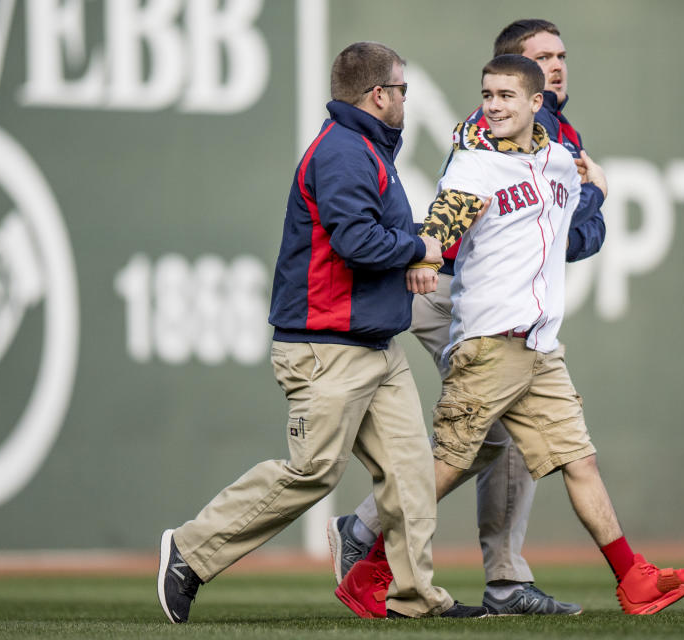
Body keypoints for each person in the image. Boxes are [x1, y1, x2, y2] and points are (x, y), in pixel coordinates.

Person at [335, 54, 684, 617]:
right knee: (446, 467)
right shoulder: (473, 164)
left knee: (580, 461)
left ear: (537, 104)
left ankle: (632, 577)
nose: (494, 105)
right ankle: (372, 569)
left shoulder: (560, 161)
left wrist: (599, 192)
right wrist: (424, 254)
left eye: (506, 96)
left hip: (539, 348)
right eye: (488, 95)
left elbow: (573, 228)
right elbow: (443, 223)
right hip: (488, 343)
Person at [156, 41, 488, 623]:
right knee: (311, 472)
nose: (407, 99)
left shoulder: (366, 149)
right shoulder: (343, 152)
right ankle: (190, 549)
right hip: (326, 346)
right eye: (403, 90)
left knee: (410, 475)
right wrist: (419, 247)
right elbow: (355, 241)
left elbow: (379, 235)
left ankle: (414, 597)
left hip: (374, 346)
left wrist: (434, 248)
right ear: (378, 95)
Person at [327, 18, 608, 617]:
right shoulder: (496, 131)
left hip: (488, 294)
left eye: (561, 55)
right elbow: (571, 236)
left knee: (500, 431)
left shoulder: (558, 137)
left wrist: (586, 202)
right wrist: (595, 194)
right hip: (453, 288)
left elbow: (574, 239)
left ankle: (483, 573)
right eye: (541, 57)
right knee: (490, 424)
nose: (556, 65)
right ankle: (375, 537)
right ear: (515, 72)